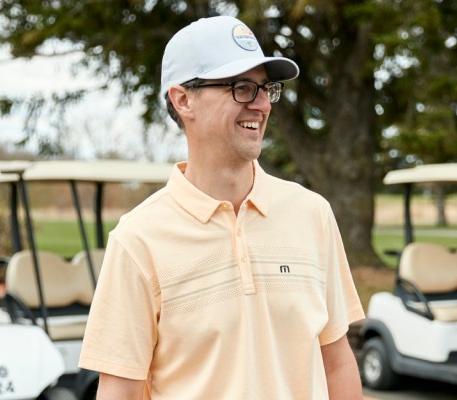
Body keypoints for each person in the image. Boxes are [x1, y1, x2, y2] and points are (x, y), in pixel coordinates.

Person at [79, 15, 366, 399]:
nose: (262, 104)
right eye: (243, 88)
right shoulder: (137, 241)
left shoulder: (312, 214)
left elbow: (337, 361)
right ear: (183, 100)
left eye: (267, 88)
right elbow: (120, 392)